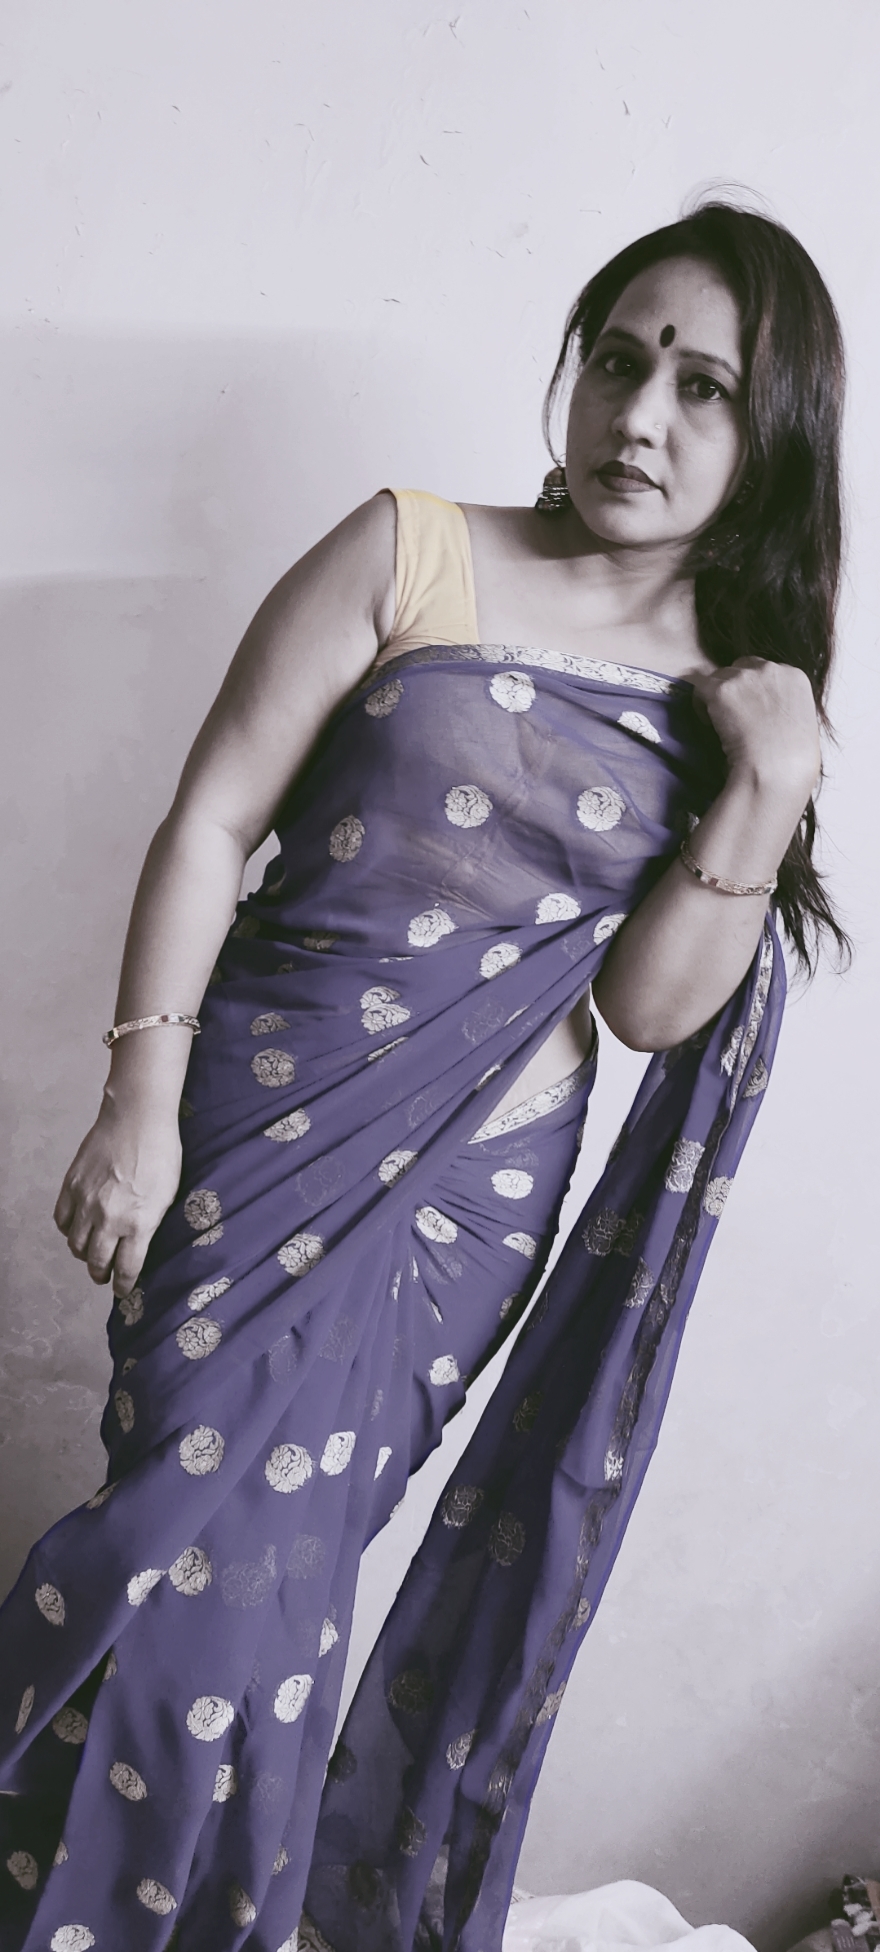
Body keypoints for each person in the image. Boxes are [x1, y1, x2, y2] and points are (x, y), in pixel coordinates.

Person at [0, 199, 847, 1952]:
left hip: (466, 1198)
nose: (640, 416)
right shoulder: (413, 547)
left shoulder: (736, 702)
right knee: (170, 1573)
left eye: (703, 387)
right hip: (255, 1127)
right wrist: (137, 1103)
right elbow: (214, 814)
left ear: (773, 434)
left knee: (273, 1605)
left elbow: (647, 1013)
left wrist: (770, 791)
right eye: (620, 361)